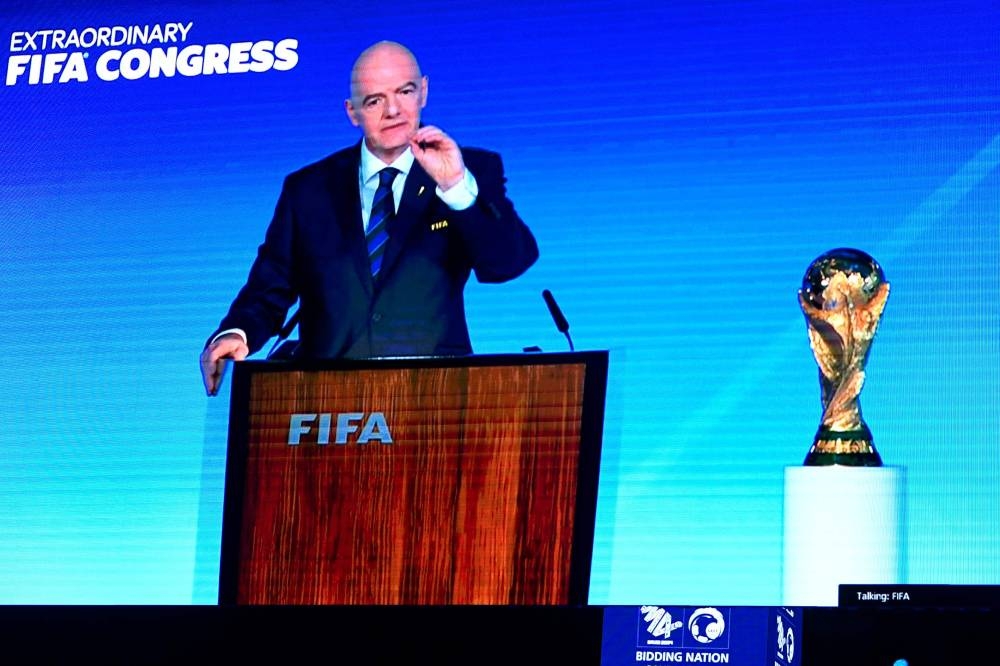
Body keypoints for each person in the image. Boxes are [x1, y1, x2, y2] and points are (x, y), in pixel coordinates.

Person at [200, 40, 538, 396]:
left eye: (405, 92)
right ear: (352, 112)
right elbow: (268, 289)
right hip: (326, 408)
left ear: (424, 91)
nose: (393, 110)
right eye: (375, 100)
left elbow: (508, 263)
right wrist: (236, 334)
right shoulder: (308, 189)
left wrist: (454, 186)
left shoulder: (469, 169)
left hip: (436, 403)